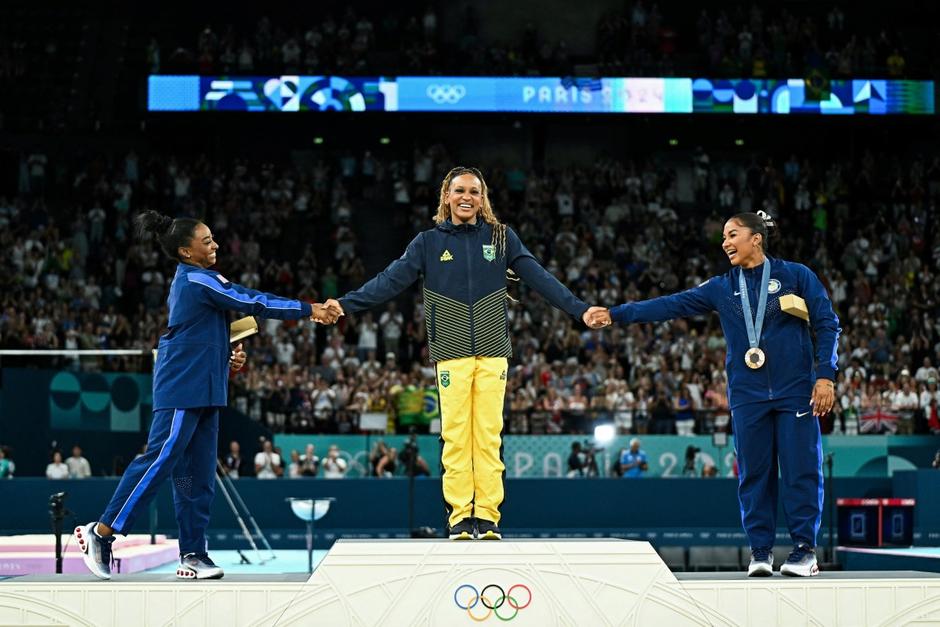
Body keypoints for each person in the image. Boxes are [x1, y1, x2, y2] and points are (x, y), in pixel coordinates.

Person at [323, 166, 607, 540]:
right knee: (456, 436)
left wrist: (578, 309)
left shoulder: (502, 238)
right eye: (459, 191)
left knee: (488, 435)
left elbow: (539, 277)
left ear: (482, 198)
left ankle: (487, 516)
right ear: (446, 196)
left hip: (492, 352)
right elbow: (389, 280)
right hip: (451, 353)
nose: (467, 197)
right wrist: (345, 304)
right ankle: (460, 516)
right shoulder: (427, 242)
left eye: (474, 191)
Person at [74, 210, 336, 581]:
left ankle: (193, 553)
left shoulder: (201, 282)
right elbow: (252, 301)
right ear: (185, 252)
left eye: (213, 238)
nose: (215, 245)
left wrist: (230, 361)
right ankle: (102, 533)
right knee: (160, 457)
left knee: (194, 478)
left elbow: (207, 331)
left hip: (207, 387)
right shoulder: (198, 280)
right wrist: (309, 309)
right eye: (207, 241)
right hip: (183, 385)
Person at [593, 211, 841, 577]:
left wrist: (826, 376)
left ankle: (804, 551)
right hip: (747, 393)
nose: (725, 242)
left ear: (756, 238)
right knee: (754, 474)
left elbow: (827, 322)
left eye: (733, 234)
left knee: (800, 471)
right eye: (724, 236)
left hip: (796, 392)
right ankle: (760, 551)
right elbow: (670, 304)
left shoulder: (795, 275)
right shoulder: (722, 287)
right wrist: (617, 314)